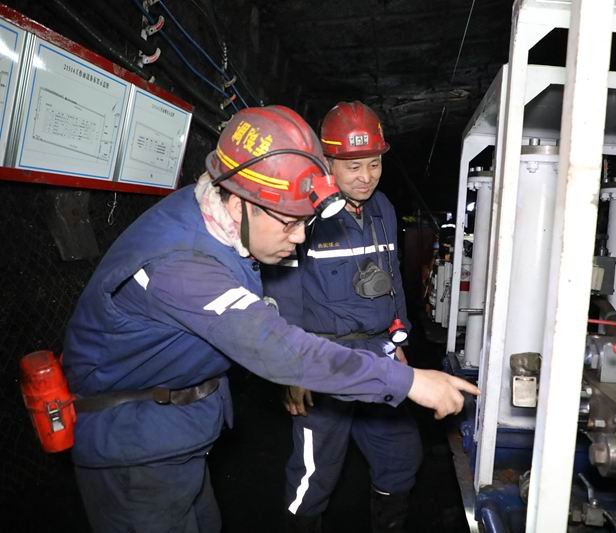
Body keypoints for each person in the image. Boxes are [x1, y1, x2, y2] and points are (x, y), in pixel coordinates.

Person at [61, 105, 479, 533]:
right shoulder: (183, 268)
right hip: (133, 448)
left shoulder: (211, 215)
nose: (299, 237)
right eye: (290, 222)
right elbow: (278, 349)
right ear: (241, 205)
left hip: (175, 431)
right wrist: (409, 382)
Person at [266, 102, 421, 533]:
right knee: (314, 473)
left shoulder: (383, 208)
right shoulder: (305, 215)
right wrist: (291, 370)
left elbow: (392, 279)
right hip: (322, 359)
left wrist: (400, 337)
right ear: (327, 163)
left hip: (379, 353)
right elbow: (283, 294)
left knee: (400, 456)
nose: (366, 176)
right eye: (353, 166)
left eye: (374, 164)